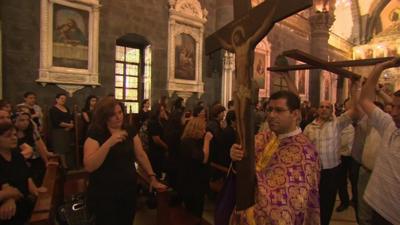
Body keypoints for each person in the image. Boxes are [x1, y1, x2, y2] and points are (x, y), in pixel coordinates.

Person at [230, 90, 320, 225]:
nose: (271, 115)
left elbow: (294, 202)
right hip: (245, 206)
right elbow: (243, 167)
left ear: (295, 114)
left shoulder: (305, 153)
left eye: (279, 110)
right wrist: (235, 156)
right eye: (269, 109)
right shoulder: (263, 137)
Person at [83, 97, 166, 225]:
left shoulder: (129, 129)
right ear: (104, 117)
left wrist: (152, 177)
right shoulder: (96, 132)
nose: (118, 117)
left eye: (120, 112)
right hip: (104, 191)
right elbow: (90, 166)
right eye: (113, 114)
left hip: (127, 189)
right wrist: (109, 142)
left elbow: (140, 154)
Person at [304, 79, 360, 225]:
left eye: (327, 107)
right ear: (317, 109)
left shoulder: (337, 124)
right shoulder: (310, 127)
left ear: (331, 110)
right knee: (314, 200)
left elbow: (354, 111)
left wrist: (354, 90)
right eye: (321, 107)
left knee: (328, 201)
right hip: (314, 171)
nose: (323, 109)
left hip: (332, 170)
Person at [358, 58, 400, 225]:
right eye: (394, 106)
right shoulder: (390, 126)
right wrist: (380, 67)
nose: (394, 112)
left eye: (399, 108)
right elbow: (365, 100)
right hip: (378, 208)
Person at [0, 121, 46, 225]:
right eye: (8, 136)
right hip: (7, 211)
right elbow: (6, 187)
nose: (14, 138)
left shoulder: (17, 155)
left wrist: (35, 190)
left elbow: (27, 176)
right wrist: (10, 197)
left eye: (15, 135)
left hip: (23, 202)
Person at [177, 116, 213, 218]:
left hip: (194, 182)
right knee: (193, 213)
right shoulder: (188, 142)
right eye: (203, 129)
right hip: (192, 184)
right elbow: (203, 159)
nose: (204, 132)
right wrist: (207, 141)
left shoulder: (192, 141)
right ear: (196, 129)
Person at [49, 93, 74, 168]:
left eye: (65, 99)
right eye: (61, 98)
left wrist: (71, 125)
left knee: (66, 148)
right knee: (61, 149)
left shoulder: (66, 108)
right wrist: (69, 125)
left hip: (67, 131)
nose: (63, 100)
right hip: (58, 131)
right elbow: (56, 122)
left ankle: (68, 164)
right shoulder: (53, 109)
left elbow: (70, 117)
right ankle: (64, 166)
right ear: (57, 99)